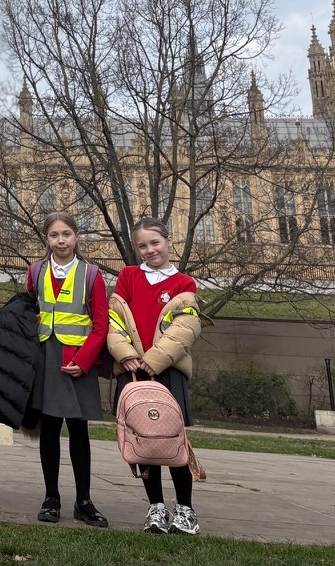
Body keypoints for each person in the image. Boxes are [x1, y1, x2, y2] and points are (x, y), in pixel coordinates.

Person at [107, 218, 205, 536]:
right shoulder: (128, 277)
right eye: (142, 246)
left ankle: (186, 511)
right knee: (143, 441)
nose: (150, 250)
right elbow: (115, 319)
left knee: (172, 440)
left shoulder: (184, 283)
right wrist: (128, 355)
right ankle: (156, 508)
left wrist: (154, 361)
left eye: (155, 243)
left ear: (169, 241)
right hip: (133, 371)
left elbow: (185, 329)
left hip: (168, 371)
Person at [26, 211, 109, 527]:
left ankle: (83, 501)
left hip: (77, 362)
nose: (61, 240)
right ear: (46, 239)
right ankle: (51, 498)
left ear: (76, 237)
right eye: (54, 235)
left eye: (66, 234)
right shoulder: (35, 272)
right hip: (46, 359)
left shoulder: (91, 275)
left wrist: (84, 361)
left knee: (78, 430)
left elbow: (100, 325)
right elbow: (29, 313)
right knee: (48, 429)